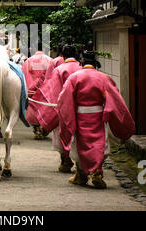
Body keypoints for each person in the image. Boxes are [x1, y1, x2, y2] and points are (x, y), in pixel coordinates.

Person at [57, 42, 136, 189]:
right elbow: (116, 99)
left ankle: (81, 174)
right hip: (98, 116)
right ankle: (97, 172)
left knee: (79, 144)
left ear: (81, 62)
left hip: (80, 116)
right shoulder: (104, 78)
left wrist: (68, 114)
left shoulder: (75, 78)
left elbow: (64, 99)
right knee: (99, 144)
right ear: (96, 64)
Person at [29, 37, 81, 172]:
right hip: (80, 106)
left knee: (60, 132)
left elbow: (50, 84)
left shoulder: (57, 65)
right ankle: (81, 164)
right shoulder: (81, 67)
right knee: (79, 134)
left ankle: (65, 159)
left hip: (62, 104)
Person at [22, 44, 52, 139]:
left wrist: (28, 88)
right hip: (46, 90)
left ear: (34, 48)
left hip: (32, 90)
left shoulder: (28, 61)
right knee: (46, 109)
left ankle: (36, 129)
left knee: (33, 111)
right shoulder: (50, 60)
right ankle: (44, 128)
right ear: (43, 49)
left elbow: (24, 75)